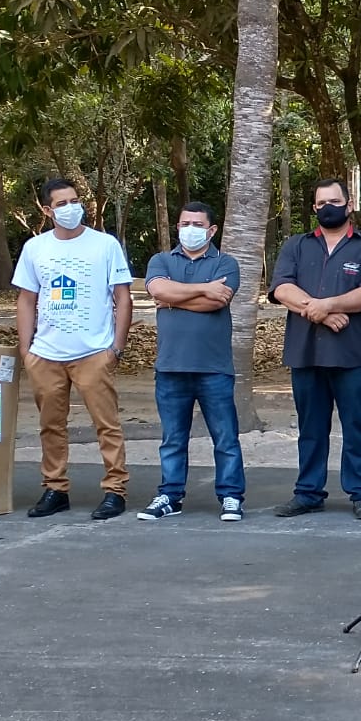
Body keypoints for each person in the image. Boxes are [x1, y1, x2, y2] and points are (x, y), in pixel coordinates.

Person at [269, 178, 361, 520]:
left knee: (357, 427)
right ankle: (308, 492)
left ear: (349, 204)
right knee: (310, 428)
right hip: (306, 353)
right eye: (321, 203)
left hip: (353, 355)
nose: (328, 208)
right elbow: (281, 288)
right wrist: (320, 311)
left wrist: (329, 304)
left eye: (334, 201)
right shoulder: (297, 245)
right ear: (314, 209)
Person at [13, 177, 134, 520]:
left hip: (94, 352)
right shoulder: (35, 248)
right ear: (47, 210)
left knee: (106, 424)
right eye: (62, 203)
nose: (71, 208)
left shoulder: (104, 245)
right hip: (46, 354)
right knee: (51, 425)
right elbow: (26, 299)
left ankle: (115, 490)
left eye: (75, 200)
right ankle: (55, 489)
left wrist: (116, 348)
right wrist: (27, 350)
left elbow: (123, 297)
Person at [137, 202, 246, 522]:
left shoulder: (226, 262)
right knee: (172, 439)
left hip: (215, 368)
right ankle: (170, 495)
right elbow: (157, 288)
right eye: (185, 223)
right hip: (170, 368)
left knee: (225, 438)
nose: (191, 229)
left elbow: (219, 301)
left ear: (212, 230)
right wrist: (201, 290)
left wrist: (172, 300)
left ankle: (231, 496)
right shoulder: (161, 260)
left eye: (198, 225)